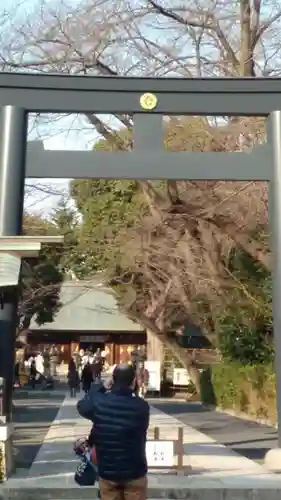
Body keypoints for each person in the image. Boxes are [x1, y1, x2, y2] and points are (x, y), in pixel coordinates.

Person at [77, 363, 149, 500]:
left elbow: (82, 405)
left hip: (108, 471)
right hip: (135, 470)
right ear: (134, 381)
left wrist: (102, 387)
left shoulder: (100, 403)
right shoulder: (142, 407)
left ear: (113, 380)